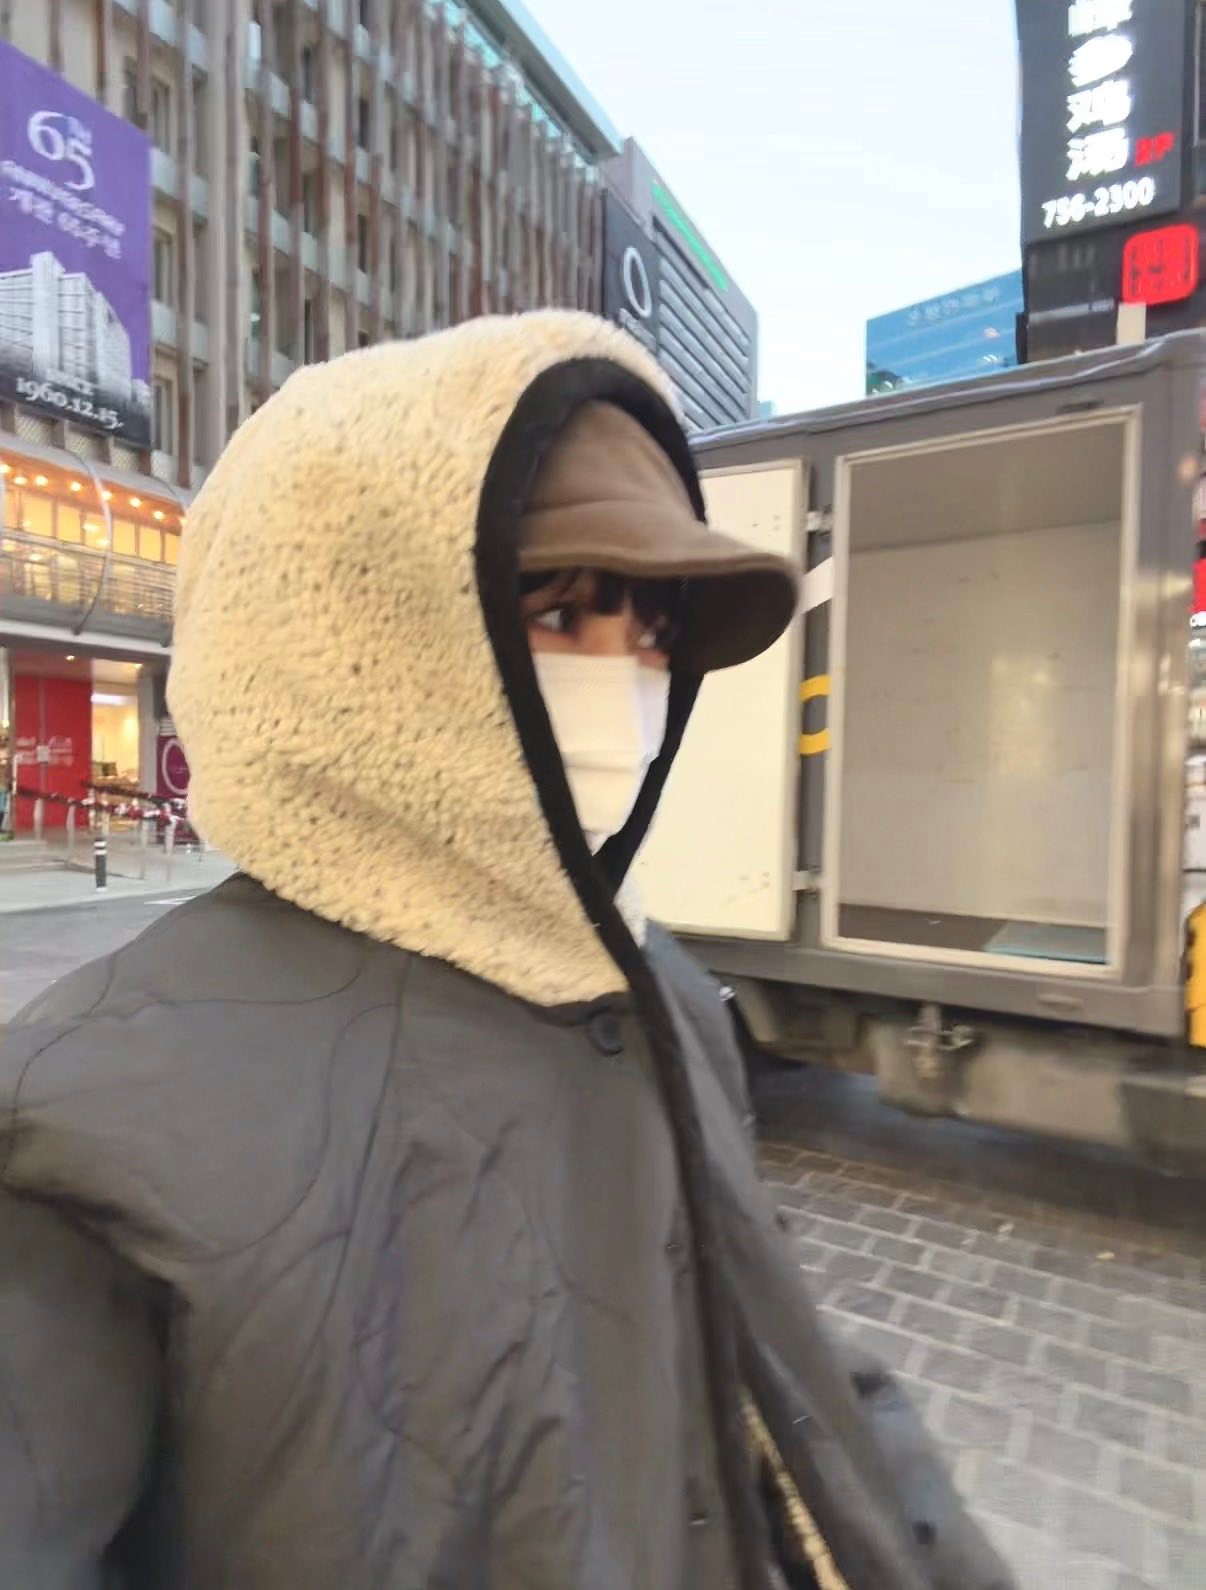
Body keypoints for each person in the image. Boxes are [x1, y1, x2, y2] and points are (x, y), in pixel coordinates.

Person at [0, 312, 1012, 1590]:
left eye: (655, 633)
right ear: (356, 631)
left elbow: (781, 1366)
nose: (628, 685)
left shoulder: (657, 991)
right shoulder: (88, 1118)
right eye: (563, 611)